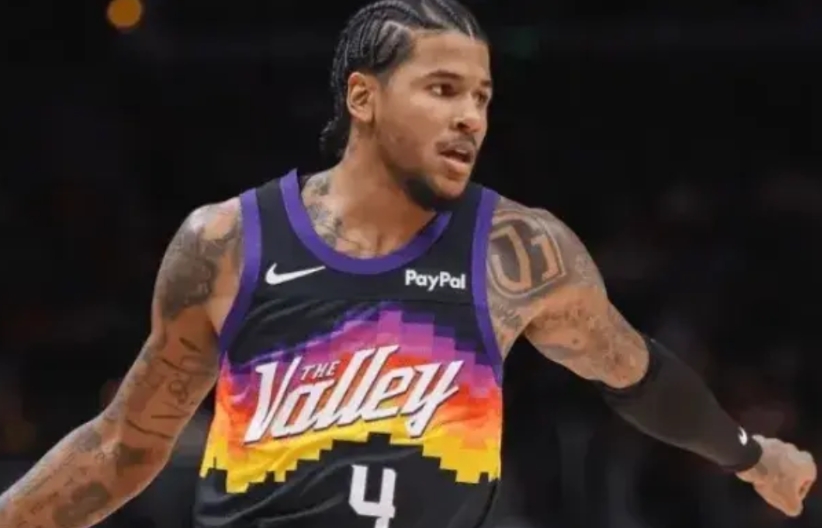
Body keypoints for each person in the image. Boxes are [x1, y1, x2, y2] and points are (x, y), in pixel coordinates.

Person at [0, 0, 817, 527]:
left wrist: (752, 455)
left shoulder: (518, 252)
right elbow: (122, 447)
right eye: (443, 89)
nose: (470, 117)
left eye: (482, 97)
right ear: (363, 97)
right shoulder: (227, 242)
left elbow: (632, 371)